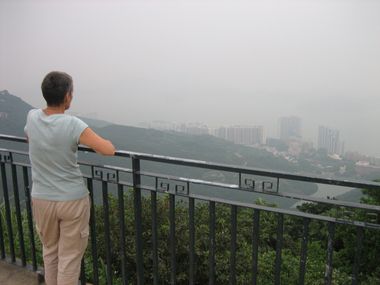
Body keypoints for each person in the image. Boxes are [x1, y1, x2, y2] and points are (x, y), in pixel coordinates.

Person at [24, 71, 115, 285]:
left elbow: (29, 135)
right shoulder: (73, 124)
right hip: (72, 201)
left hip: (42, 199)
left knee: (50, 252)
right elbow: (107, 150)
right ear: (67, 96)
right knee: (70, 259)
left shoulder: (32, 116)